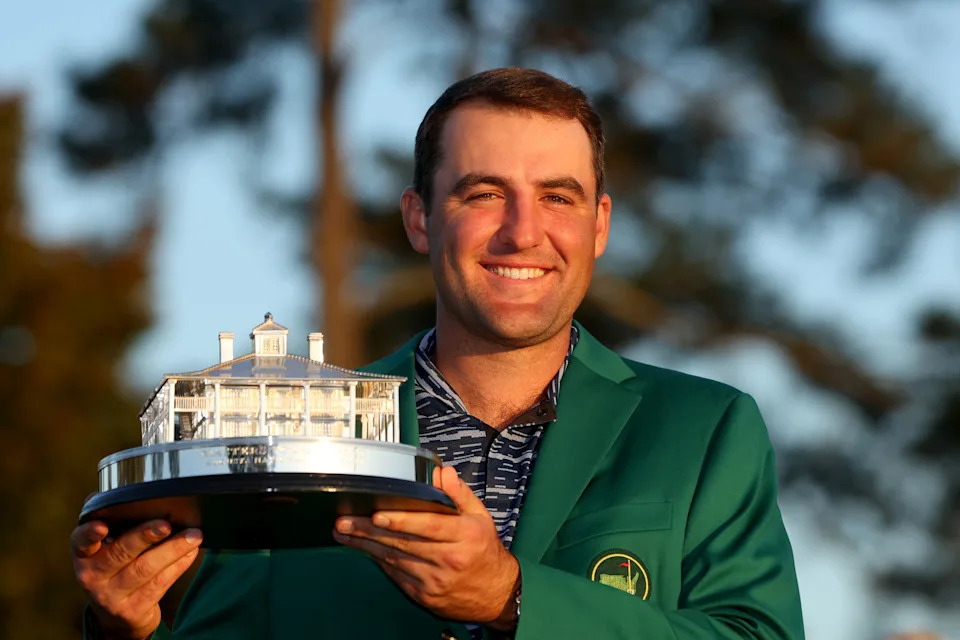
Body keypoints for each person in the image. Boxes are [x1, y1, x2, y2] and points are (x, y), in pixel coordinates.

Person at [72, 68, 804, 639]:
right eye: (484, 194)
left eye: (558, 197)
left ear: (599, 224)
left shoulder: (704, 430)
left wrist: (512, 599)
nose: (523, 232)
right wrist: (124, 630)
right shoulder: (294, 445)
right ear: (420, 219)